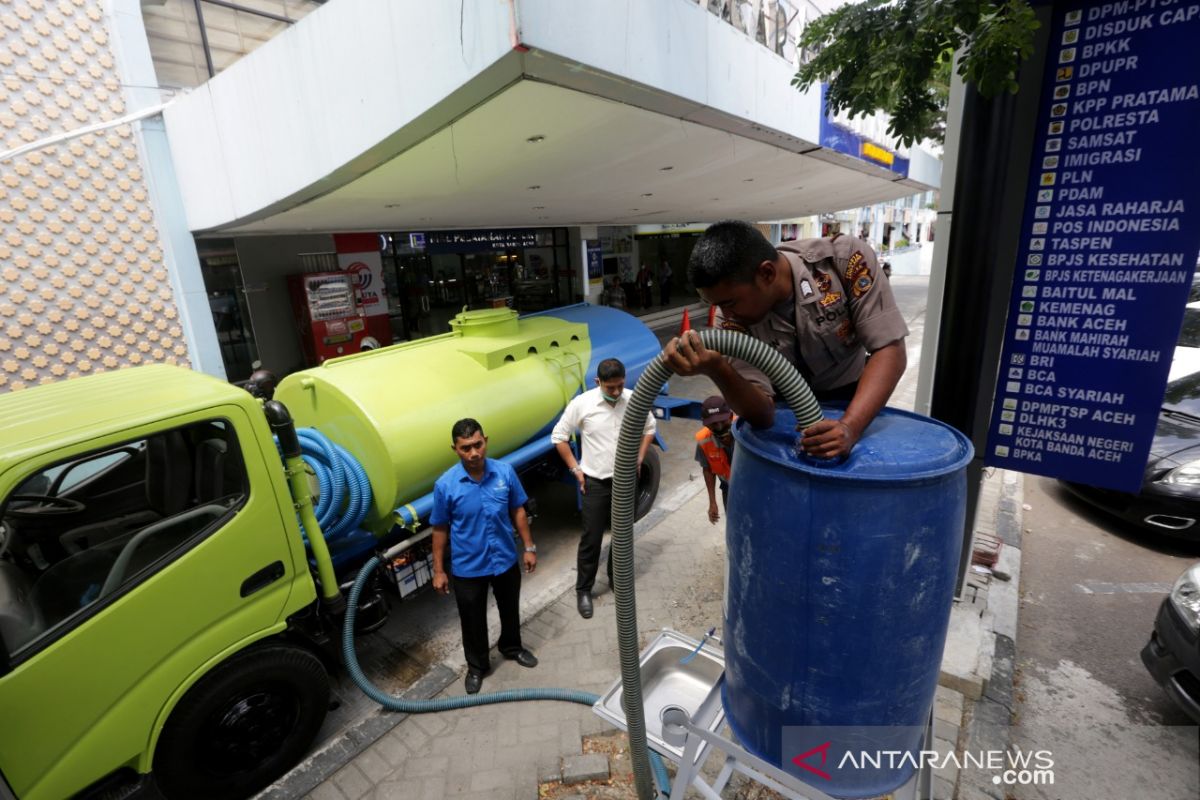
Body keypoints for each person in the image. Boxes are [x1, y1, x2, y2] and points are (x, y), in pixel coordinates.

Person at [662, 220, 907, 460]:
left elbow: (889, 349)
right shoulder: (730, 324)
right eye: (716, 305)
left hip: (853, 398)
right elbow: (762, 416)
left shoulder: (845, 262)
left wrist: (851, 426)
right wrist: (717, 369)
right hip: (784, 411)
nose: (726, 315)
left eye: (730, 303)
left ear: (766, 273)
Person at [431, 418, 539, 694]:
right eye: (466, 448)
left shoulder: (504, 473)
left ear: (486, 441)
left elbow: (518, 510)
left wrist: (528, 547)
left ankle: (512, 647)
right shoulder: (446, 485)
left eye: (478, 445)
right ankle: (477, 667)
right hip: (468, 567)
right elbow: (440, 527)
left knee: (509, 607)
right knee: (472, 619)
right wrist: (439, 570)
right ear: (455, 449)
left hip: (504, 558)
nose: (474, 453)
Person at [551, 358, 656, 618]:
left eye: (620, 385)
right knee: (592, 538)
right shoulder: (582, 404)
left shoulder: (633, 399)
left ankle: (616, 578)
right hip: (595, 483)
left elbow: (650, 427)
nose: (617, 392)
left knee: (622, 534)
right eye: (610, 388)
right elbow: (559, 437)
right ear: (598, 382)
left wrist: (641, 456)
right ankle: (584, 590)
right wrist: (575, 469)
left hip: (626, 481)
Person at [694, 395, 735, 524]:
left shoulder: (747, 430)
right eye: (713, 423)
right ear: (704, 422)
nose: (719, 427)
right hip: (729, 490)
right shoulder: (704, 440)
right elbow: (707, 470)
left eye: (722, 421)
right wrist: (712, 502)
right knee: (734, 526)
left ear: (730, 415)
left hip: (753, 488)